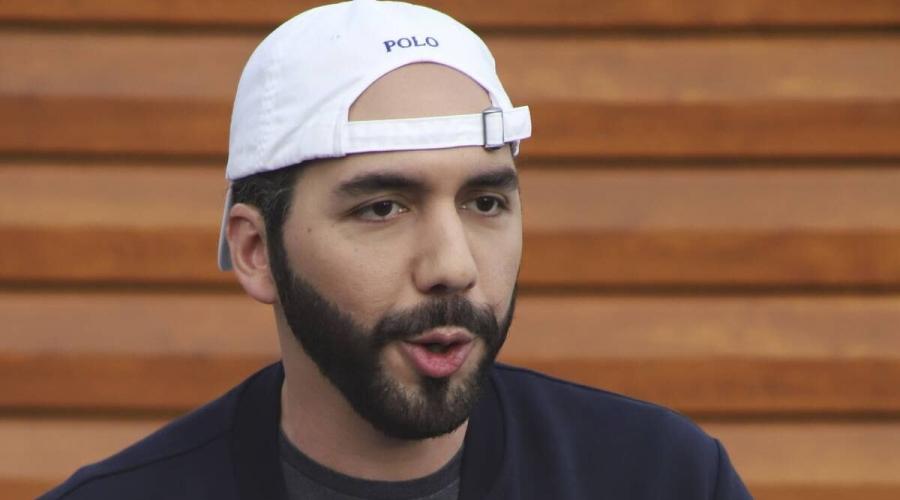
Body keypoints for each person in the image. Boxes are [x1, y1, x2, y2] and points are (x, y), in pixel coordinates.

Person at [42, 1, 751, 498]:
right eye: (382, 207)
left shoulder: (664, 479)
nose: (453, 266)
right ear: (257, 251)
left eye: (485, 203)